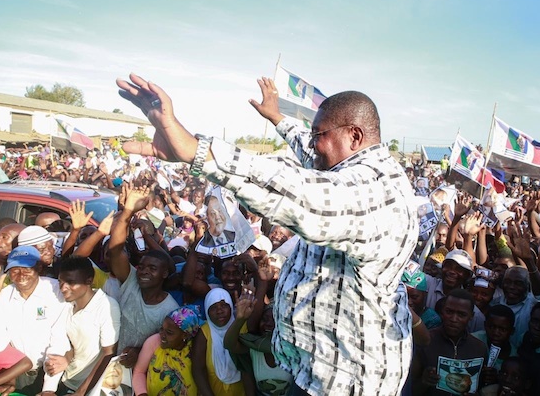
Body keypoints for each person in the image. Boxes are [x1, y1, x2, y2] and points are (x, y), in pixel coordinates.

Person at [117, 73, 419, 395]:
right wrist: (278, 119)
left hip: (346, 382)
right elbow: (309, 152)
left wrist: (197, 151)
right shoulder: (342, 164)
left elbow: (303, 195)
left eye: (319, 134)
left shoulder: (377, 191)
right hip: (313, 372)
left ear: (354, 136)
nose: (312, 144)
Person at [108, 184, 180, 368]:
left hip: (143, 375)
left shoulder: (170, 309)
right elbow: (115, 251)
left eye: (153, 268)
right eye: (142, 266)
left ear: (164, 274)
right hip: (110, 367)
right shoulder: (131, 280)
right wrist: (128, 211)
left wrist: (140, 352)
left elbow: (173, 346)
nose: (145, 271)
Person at [0, 246, 71, 394]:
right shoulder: (4, 296)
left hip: (51, 373)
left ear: (38, 267)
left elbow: (59, 340)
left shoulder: (56, 291)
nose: (21, 275)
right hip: (17, 374)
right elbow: (0, 343)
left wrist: (49, 389)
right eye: (15, 270)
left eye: (26, 269)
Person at [52, 256, 120, 396]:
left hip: (90, 388)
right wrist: (66, 358)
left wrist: (81, 392)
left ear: (89, 280)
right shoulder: (67, 305)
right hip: (66, 380)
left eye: (71, 282)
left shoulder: (106, 306)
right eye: (60, 281)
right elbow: (72, 343)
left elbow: (109, 353)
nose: (63, 288)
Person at [411, 289, 488, 395]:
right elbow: (410, 389)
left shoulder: (479, 348)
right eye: (449, 312)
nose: (454, 319)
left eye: (461, 315)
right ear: (442, 311)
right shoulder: (425, 341)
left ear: (471, 316)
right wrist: (424, 382)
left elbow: (480, 388)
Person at [133, 306, 201, 396]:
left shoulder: (195, 349)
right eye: (162, 329)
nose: (162, 335)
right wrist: (141, 393)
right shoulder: (154, 342)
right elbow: (139, 372)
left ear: (184, 335)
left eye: (169, 332)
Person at [192, 288, 245, 396]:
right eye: (213, 307)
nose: (219, 311)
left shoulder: (241, 327)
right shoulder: (204, 332)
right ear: (207, 311)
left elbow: (247, 369)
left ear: (231, 306)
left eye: (224, 305)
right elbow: (198, 370)